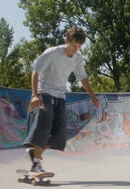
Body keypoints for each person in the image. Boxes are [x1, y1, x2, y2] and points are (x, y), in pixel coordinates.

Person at [23, 26, 100, 174]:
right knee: (44, 128)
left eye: (79, 47)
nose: (75, 50)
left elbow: (82, 78)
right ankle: (36, 164)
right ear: (66, 40)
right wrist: (34, 95)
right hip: (44, 93)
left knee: (59, 135)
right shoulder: (52, 53)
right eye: (73, 46)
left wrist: (93, 97)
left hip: (60, 96)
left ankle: (34, 154)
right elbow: (36, 72)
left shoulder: (78, 58)